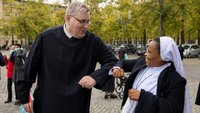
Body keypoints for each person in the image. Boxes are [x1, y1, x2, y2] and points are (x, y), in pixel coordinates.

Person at [16, 2, 118, 113]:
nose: (86, 26)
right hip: (48, 103)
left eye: (88, 21)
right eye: (82, 21)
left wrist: (95, 77)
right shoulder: (46, 38)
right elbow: (28, 69)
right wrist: (24, 97)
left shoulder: (93, 41)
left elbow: (113, 62)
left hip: (77, 104)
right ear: (68, 18)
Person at [112, 36, 192, 113]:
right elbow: (123, 62)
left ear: (163, 56)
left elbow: (173, 109)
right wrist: (117, 68)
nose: (145, 54)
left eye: (149, 51)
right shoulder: (143, 62)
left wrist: (142, 96)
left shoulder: (175, 80)